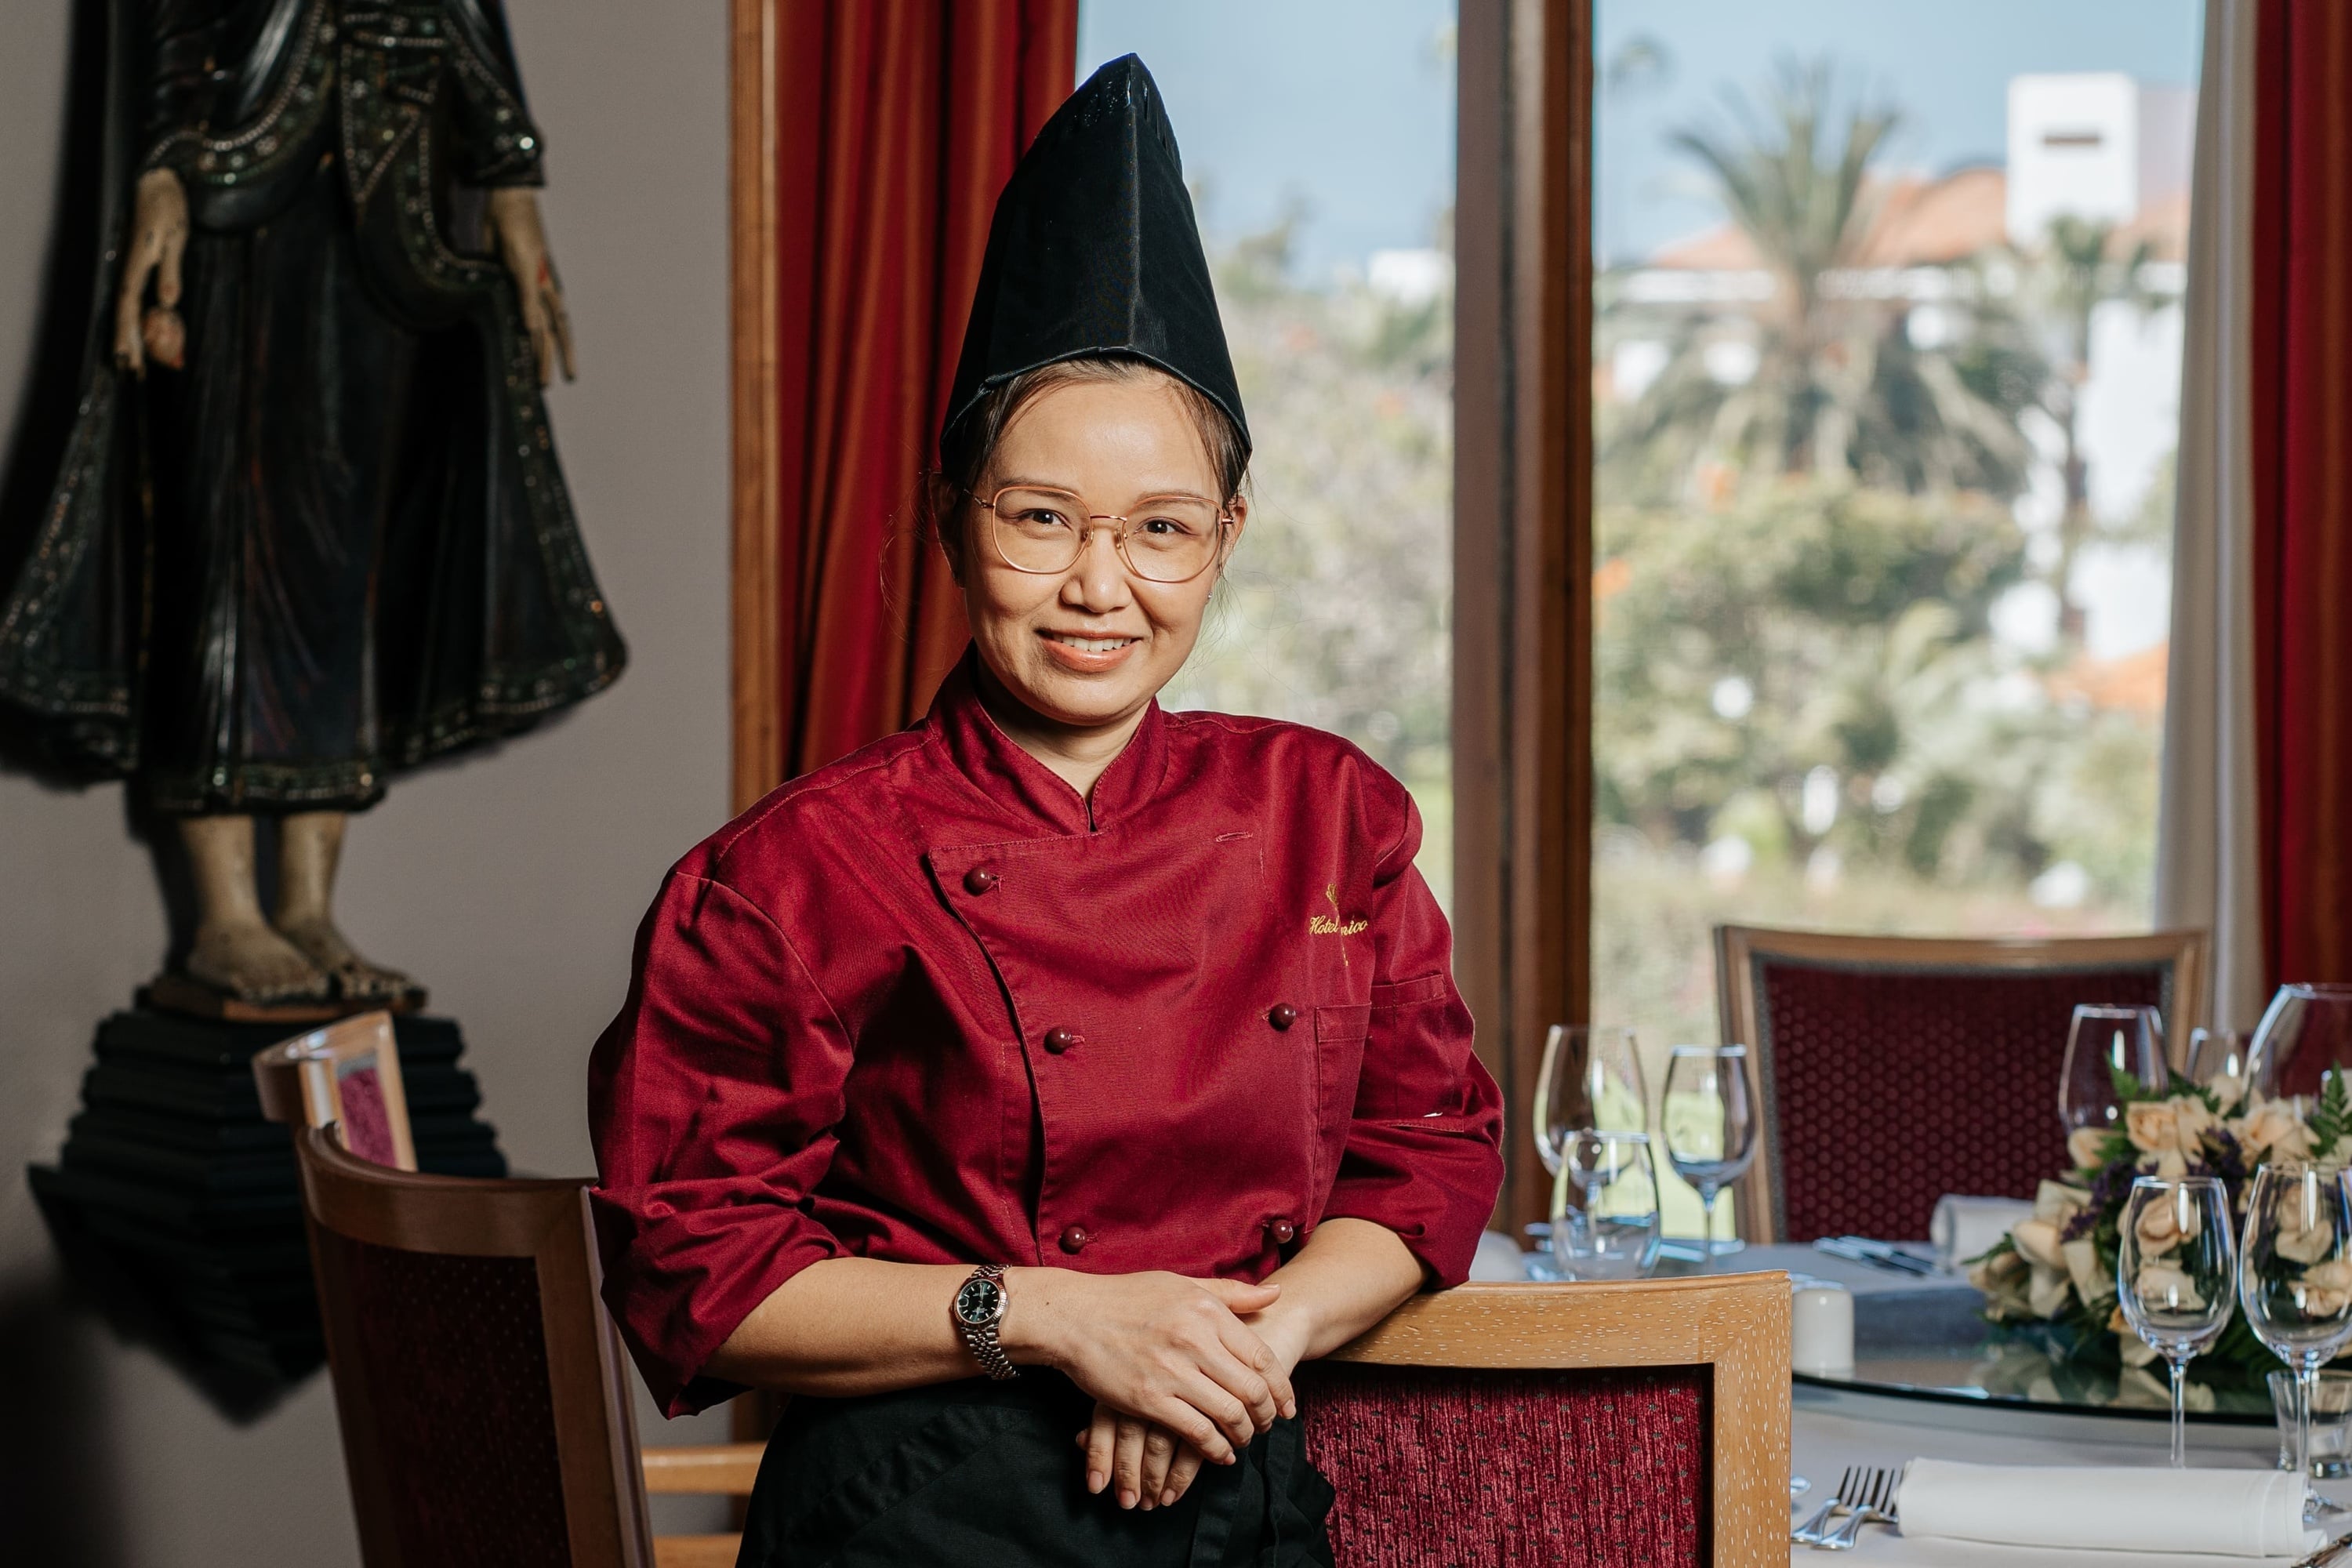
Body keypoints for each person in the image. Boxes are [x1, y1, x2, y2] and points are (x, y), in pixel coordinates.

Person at [589, 56, 1502, 1566]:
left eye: (1162, 530)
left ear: (1229, 536)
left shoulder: (1333, 814)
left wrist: (1220, 1350)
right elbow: (700, 1268)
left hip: (1249, 1498)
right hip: (919, 1515)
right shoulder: (790, 874)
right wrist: (1066, 1321)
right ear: (954, 514)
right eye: (1040, 519)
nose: (1101, 587)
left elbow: (1429, 1158)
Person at [0, 0, 625, 1005]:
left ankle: (306, 898)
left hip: (392, 178)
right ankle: (227, 912)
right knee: (221, 542)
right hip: (235, 166)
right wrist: (160, 162)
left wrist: (507, 169)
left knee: (348, 555)